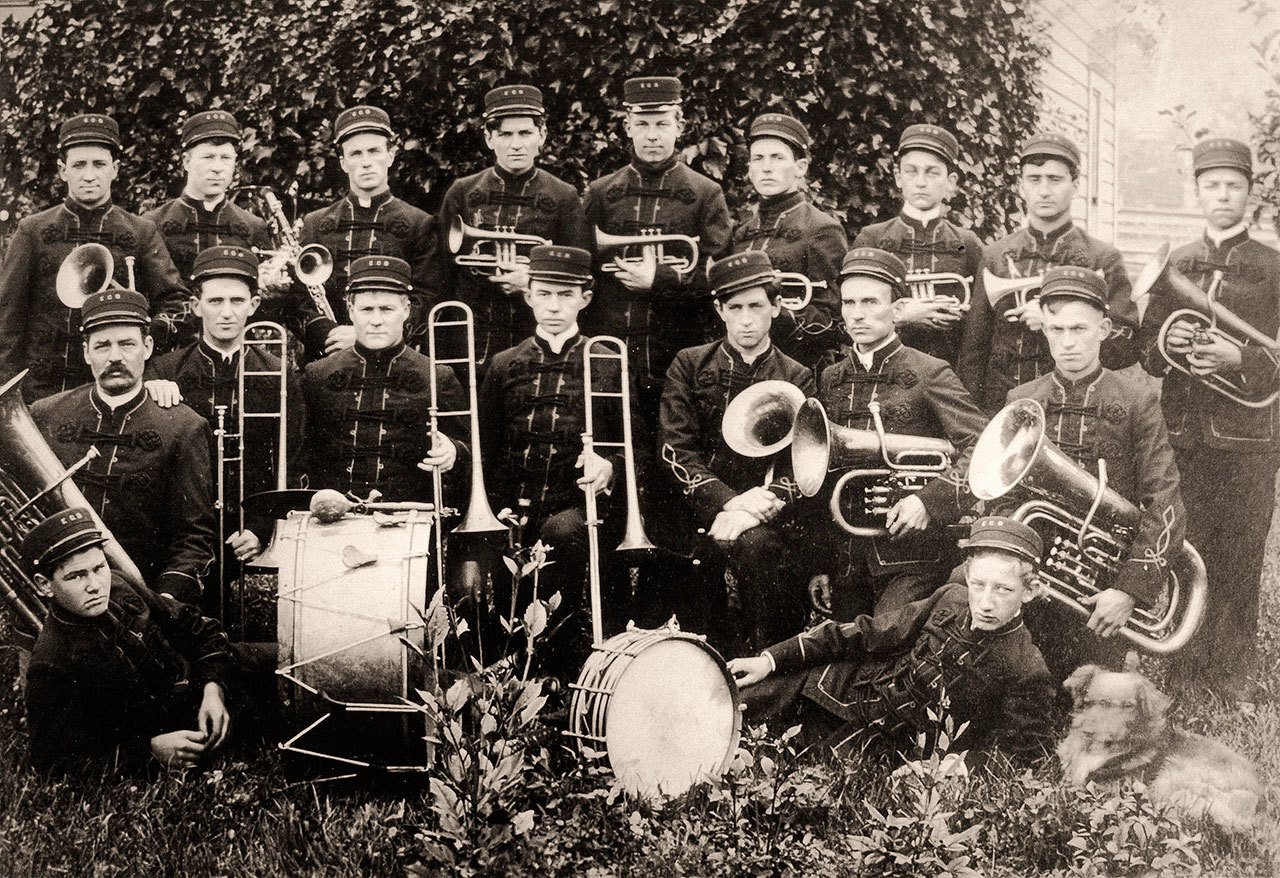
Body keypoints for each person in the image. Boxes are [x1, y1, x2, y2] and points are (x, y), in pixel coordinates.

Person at [727, 516, 1055, 759]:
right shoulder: (950, 597)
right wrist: (770, 659)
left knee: (781, 762)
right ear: (967, 575)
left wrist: (957, 766)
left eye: (1004, 589)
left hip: (892, 749)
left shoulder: (1028, 669)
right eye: (979, 584)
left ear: (1029, 591)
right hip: (847, 692)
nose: (985, 602)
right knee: (734, 702)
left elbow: (1017, 752)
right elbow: (867, 632)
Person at [1139, 138, 1280, 699]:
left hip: (1248, 441)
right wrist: (1167, 338)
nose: (1223, 195)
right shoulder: (1176, 264)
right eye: (1212, 185)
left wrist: (1239, 356)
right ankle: (1183, 665)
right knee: (1184, 548)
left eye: (1233, 186)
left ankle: (1232, 674)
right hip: (1183, 435)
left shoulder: (1274, 268)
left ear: (1250, 193)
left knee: (1241, 554)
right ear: (1196, 191)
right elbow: (1149, 351)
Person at [1001, 266, 1184, 684]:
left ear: (1103, 329)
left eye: (1079, 329)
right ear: (1043, 329)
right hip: (1033, 566)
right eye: (1055, 329)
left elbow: (1165, 498)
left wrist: (1129, 590)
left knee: (1090, 694)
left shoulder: (1137, 400)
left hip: (1101, 580)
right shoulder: (1022, 400)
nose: (1066, 343)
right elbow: (1003, 495)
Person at [475, 244, 641, 673]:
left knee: (561, 535)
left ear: (585, 298)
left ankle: (562, 664)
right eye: (544, 294)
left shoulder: (608, 359)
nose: (553, 306)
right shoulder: (503, 364)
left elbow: (636, 445)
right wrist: (494, 507)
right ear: (527, 295)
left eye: (565, 295)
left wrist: (611, 467)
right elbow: (487, 448)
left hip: (582, 509)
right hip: (514, 504)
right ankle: (510, 664)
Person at [812, 247, 985, 620]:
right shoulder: (831, 377)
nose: (857, 314)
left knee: (886, 648)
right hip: (846, 559)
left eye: (871, 302)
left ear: (899, 308)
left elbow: (982, 449)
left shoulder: (929, 372)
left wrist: (929, 501)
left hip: (912, 558)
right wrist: (821, 562)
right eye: (849, 303)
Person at [658, 250, 813, 652]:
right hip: (699, 509)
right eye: (735, 307)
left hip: (768, 516)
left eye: (757, 306)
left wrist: (756, 508)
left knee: (762, 553)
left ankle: (766, 669)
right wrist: (728, 503)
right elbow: (675, 448)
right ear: (719, 309)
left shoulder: (798, 376)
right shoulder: (689, 364)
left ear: (776, 307)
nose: (746, 319)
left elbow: (808, 459)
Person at [31, 287, 215, 606]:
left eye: (126, 343)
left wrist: (164, 603)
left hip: (140, 605)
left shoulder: (184, 427)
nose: (114, 356)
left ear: (147, 347)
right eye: (102, 345)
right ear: (86, 352)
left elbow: (194, 539)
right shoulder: (46, 413)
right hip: (51, 603)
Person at [145, 245, 304, 613]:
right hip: (180, 534)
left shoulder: (279, 372)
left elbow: (293, 461)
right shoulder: (165, 371)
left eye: (237, 300)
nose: (227, 313)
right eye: (215, 301)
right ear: (197, 306)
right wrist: (150, 392)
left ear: (254, 305)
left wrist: (262, 529)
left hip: (247, 530)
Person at [22, 508, 236, 776]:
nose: (95, 585)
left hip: (207, 687)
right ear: (44, 585)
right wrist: (149, 752)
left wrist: (214, 690)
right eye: (76, 576)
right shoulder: (50, 663)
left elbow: (197, 629)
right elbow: (52, 761)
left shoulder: (121, 585)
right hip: (181, 730)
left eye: (99, 568)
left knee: (296, 660)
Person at [0, 113, 188, 402]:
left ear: (115, 169)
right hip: (44, 390)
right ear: (63, 170)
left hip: (120, 388)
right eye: (79, 165)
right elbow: (8, 319)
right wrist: (11, 393)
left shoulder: (141, 232)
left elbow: (177, 304)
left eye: (99, 164)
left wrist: (143, 336)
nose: (89, 175)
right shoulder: (32, 231)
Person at [583, 75, 733, 422]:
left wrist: (660, 278)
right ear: (627, 126)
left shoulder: (706, 193)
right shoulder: (602, 193)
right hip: (610, 346)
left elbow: (719, 276)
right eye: (642, 124)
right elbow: (585, 270)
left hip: (679, 351)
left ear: (678, 125)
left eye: (662, 124)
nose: (652, 135)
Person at [959, 131, 1138, 414]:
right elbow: (973, 349)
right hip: (1003, 404)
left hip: (1077, 406)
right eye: (1034, 179)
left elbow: (1126, 348)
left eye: (1055, 179)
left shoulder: (1102, 258)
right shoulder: (995, 256)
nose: (1044, 190)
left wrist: (1055, 323)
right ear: (1021, 187)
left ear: (1075, 185)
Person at [436, 85, 590, 368]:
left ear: (541, 136)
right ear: (489, 138)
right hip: (472, 335)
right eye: (505, 134)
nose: (515, 144)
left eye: (525, 133)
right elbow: (443, 273)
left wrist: (531, 281)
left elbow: (578, 270)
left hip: (535, 333)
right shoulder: (462, 192)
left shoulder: (563, 195)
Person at [301, 255, 467, 503]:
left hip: (410, 520)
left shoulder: (437, 376)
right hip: (332, 520)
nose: (376, 321)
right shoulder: (317, 375)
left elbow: (469, 449)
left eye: (386, 309)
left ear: (406, 310)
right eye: (367, 309)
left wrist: (453, 451)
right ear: (351, 311)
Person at [293, 106, 438, 360]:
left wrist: (363, 336)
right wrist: (331, 334)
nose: (366, 162)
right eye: (356, 153)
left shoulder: (419, 223)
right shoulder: (316, 223)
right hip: (328, 356)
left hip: (396, 358)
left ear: (391, 155)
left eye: (374, 151)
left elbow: (426, 299)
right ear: (343, 162)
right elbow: (299, 299)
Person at [852, 124, 984, 372]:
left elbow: (979, 328)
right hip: (885, 372)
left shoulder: (969, 244)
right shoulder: (872, 239)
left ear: (951, 182)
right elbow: (850, 314)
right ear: (898, 177)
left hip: (950, 371)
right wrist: (902, 314)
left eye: (932, 173)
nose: (921, 182)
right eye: (911, 172)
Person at [729, 112, 846, 371]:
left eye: (777, 157)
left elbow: (833, 319)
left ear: (800, 167)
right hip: (743, 364)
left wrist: (774, 314)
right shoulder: (741, 232)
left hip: (799, 365)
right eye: (758, 158)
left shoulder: (821, 228)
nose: (766, 167)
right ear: (749, 168)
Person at [141, 111, 273, 295]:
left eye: (225, 158)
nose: (218, 168)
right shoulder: (152, 224)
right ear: (187, 162)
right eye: (208, 157)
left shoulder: (254, 226)